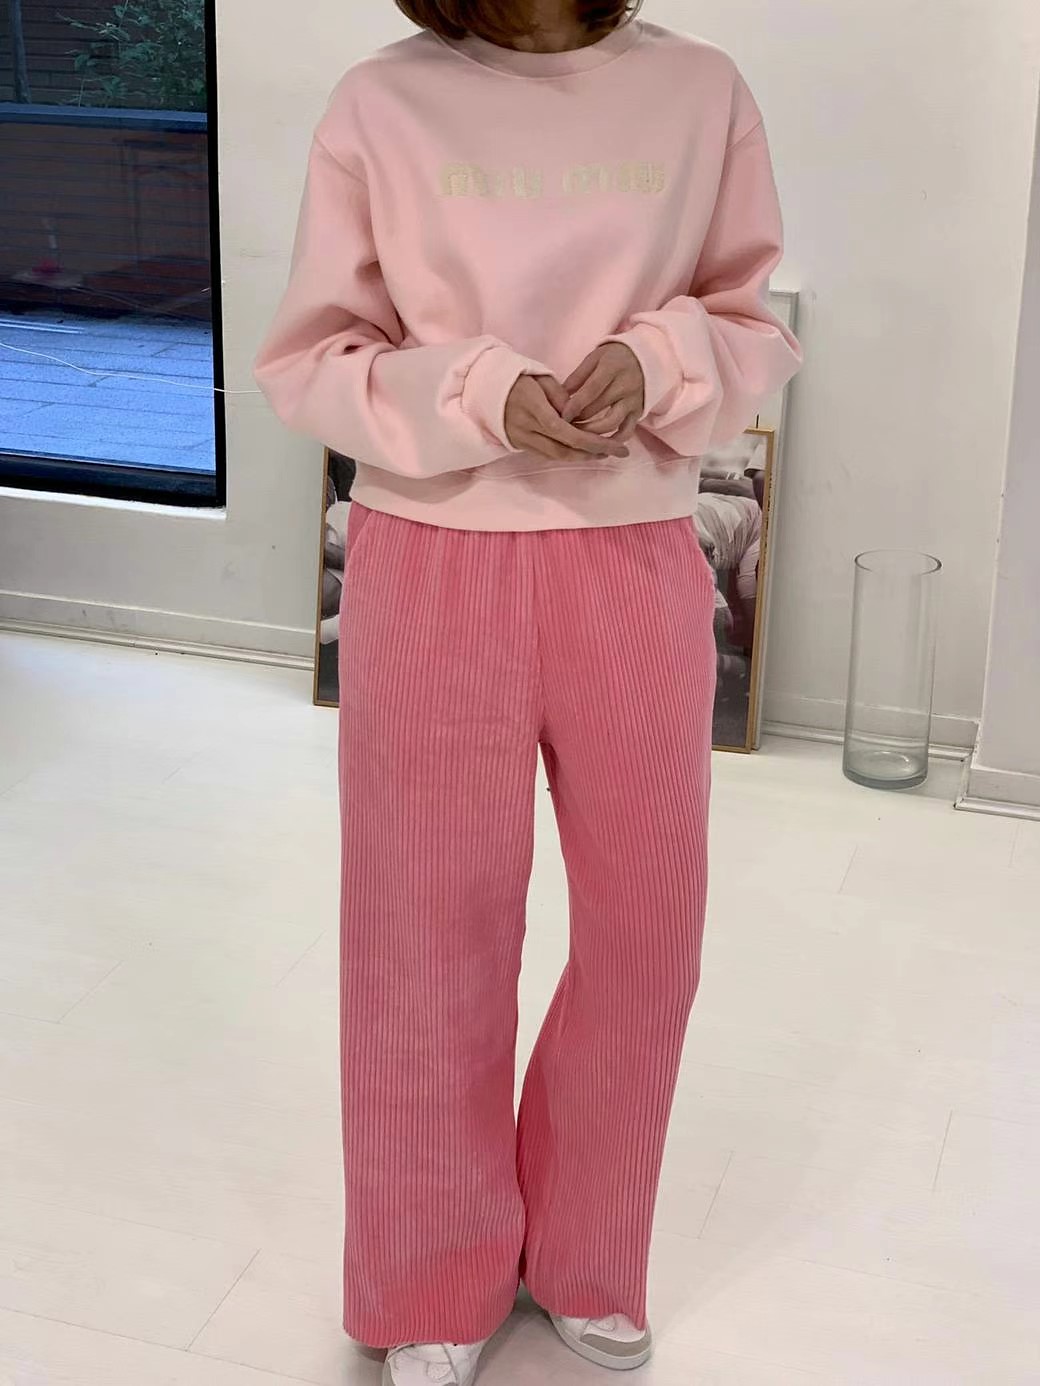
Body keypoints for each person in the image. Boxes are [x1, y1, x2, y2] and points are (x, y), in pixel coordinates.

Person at [254, 2, 801, 1381]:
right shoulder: (381, 101)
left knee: (647, 929)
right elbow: (309, 362)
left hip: (633, 555)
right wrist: (480, 390)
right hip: (431, 557)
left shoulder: (700, 90)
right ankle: (432, 1274)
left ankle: (585, 1247)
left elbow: (750, 324)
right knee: (425, 939)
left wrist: (656, 361)